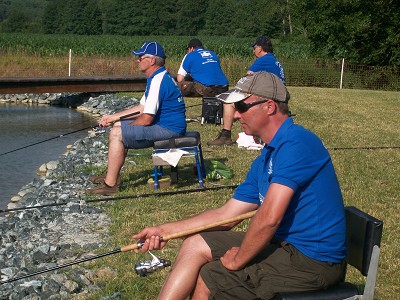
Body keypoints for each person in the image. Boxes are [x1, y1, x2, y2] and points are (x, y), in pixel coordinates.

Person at [133, 71, 346, 300]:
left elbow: (268, 219)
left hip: (312, 261)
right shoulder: (269, 154)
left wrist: (238, 259)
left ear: (270, 107)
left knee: (212, 276)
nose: (234, 115)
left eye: (242, 106)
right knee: (195, 244)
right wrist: (167, 231)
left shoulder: (297, 143)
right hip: (283, 245)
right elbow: (228, 214)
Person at [86, 41, 186, 195]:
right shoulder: (157, 77)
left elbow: (146, 119)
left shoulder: (158, 80)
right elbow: (141, 108)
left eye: (140, 57)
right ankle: (112, 176)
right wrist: (113, 118)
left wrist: (125, 127)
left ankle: (110, 185)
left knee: (117, 133)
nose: (137, 60)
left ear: (152, 60)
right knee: (117, 127)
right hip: (166, 126)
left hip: (170, 130)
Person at [208, 35, 286, 146]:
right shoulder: (274, 60)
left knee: (229, 102)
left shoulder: (263, 60)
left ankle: (226, 135)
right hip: (278, 96)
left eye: (254, 47)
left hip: (269, 97)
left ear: (260, 48)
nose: (254, 50)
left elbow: (248, 77)